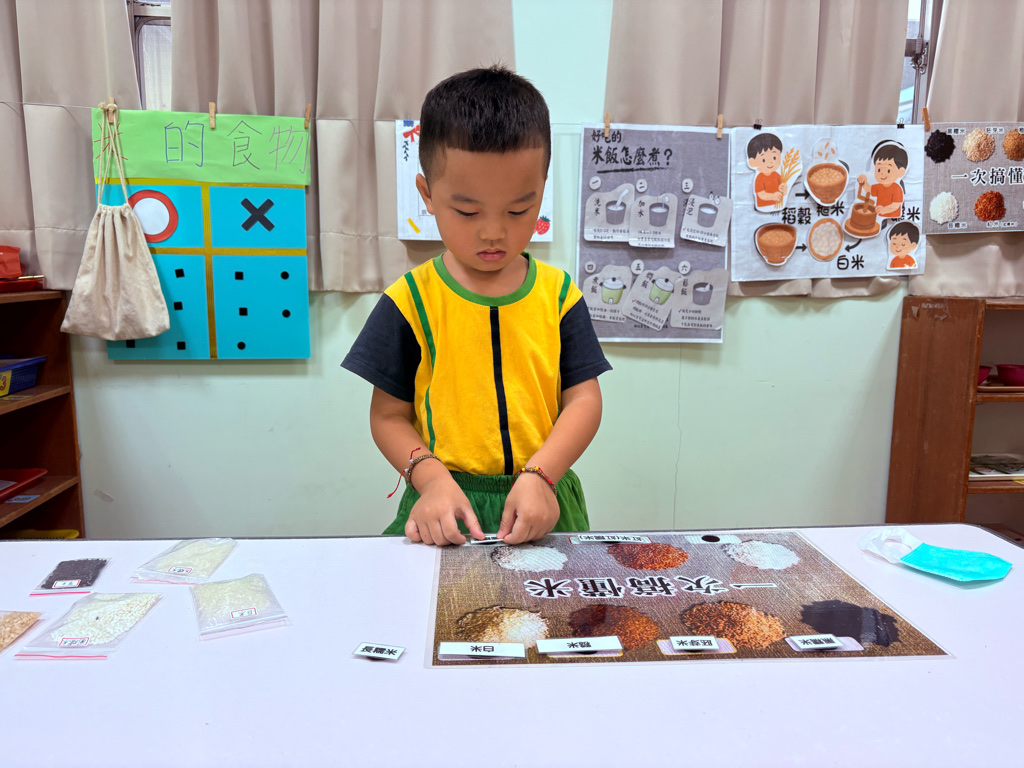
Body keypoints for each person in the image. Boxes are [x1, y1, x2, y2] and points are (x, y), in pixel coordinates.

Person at [342, 66, 611, 546]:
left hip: (541, 497)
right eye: (467, 211)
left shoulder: (560, 296)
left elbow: (585, 400)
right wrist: (430, 480)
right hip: (445, 505)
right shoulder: (410, 301)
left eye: (518, 210)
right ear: (427, 194)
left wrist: (543, 474)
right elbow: (387, 416)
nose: (493, 232)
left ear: (542, 190)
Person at [858, 142, 908, 218]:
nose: (882, 173)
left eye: (888, 170)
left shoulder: (897, 188)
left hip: (893, 217)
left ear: (900, 172)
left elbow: (896, 205)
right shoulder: (879, 186)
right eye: (879, 170)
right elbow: (869, 190)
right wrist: (864, 182)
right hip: (878, 216)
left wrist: (885, 210)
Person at [746, 133, 787, 208]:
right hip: (764, 207)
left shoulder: (777, 175)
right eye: (764, 160)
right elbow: (761, 195)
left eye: (774, 158)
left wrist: (784, 189)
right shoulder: (759, 178)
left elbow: (783, 192)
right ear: (752, 162)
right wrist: (773, 196)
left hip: (778, 206)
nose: (770, 162)